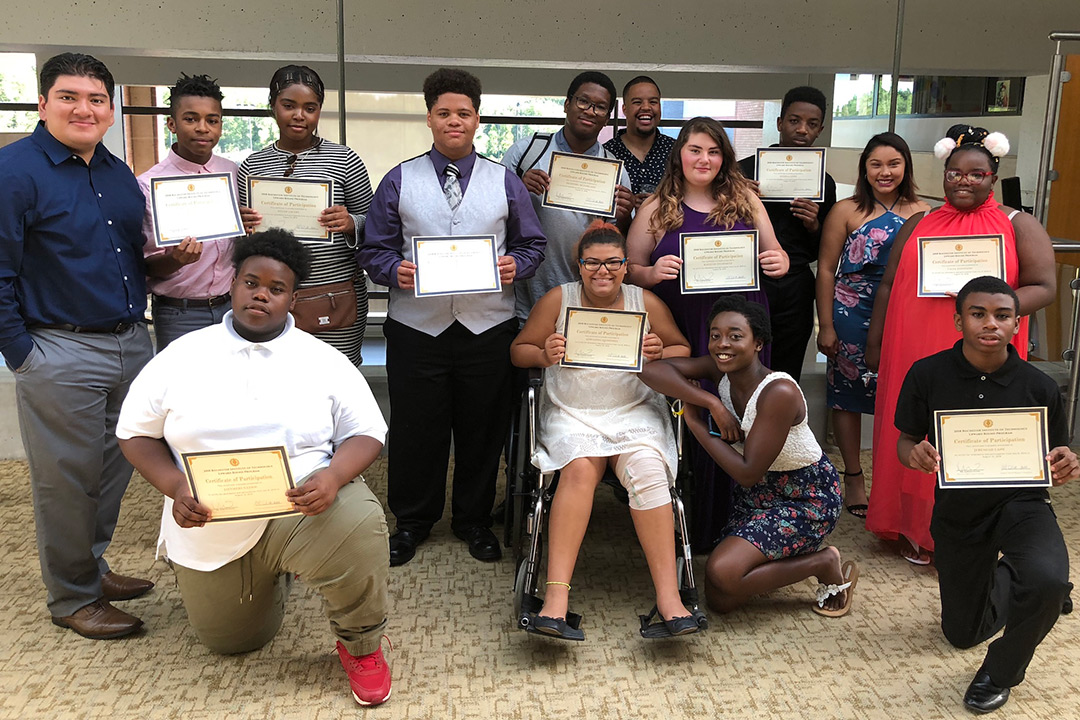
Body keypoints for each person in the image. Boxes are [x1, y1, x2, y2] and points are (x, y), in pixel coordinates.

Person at [116, 230, 393, 707]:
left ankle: (361, 643)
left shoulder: (321, 359)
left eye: (276, 287)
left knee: (361, 523)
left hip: (300, 508)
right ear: (232, 284)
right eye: (251, 282)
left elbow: (368, 432)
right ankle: (271, 579)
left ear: (293, 297)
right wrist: (172, 484)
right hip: (211, 516)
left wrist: (332, 476)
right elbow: (133, 432)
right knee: (231, 642)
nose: (261, 293)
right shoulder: (183, 355)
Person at [358, 68, 546, 566]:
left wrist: (515, 265)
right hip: (417, 328)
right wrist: (391, 269)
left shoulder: (504, 180)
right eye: (444, 113)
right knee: (417, 428)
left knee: (482, 428)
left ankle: (473, 520)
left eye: (463, 113)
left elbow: (533, 244)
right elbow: (372, 248)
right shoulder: (400, 178)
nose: (454, 121)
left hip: (487, 326)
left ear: (477, 119)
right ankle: (413, 521)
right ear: (430, 119)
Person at [0, 52, 155, 639]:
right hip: (58, 350)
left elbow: (126, 256)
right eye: (68, 96)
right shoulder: (13, 171)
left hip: (127, 341)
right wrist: (21, 352)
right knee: (65, 479)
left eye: (95, 99)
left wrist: (169, 260)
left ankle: (91, 567)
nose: (83, 108)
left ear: (111, 110)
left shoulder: (116, 174)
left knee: (113, 469)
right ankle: (70, 596)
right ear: (43, 104)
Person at [866, 125, 1057, 564]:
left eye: (976, 173)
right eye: (954, 173)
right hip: (915, 343)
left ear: (993, 175)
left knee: (976, 431)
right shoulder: (920, 222)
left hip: (985, 347)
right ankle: (915, 527)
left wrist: (993, 314)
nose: (963, 181)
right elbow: (890, 284)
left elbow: (1044, 286)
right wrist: (875, 341)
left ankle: (974, 535)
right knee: (919, 426)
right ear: (943, 174)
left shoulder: (1018, 224)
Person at [894, 276, 1076, 714]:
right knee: (961, 634)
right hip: (959, 511)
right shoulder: (927, 373)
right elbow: (904, 443)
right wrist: (914, 454)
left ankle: (1001, 671)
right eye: (978, 314)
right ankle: (1021, 578)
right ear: (959, 320)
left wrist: (1067, 461)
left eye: (1002, 315)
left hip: (1023, 506)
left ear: (1017, 324)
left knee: (1048, 582)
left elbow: (1059, 452)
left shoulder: (1039, 386)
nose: (990, 323)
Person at [510, 221, 694, 640]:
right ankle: (556, 600)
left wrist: (661, 350)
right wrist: (544, 352)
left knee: (648, 472)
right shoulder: (560, 299)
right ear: (579, 265)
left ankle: (669, 600)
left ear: (626, 266)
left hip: (634, 410)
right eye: (592, 263)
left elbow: (682, 349)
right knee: (577, 471)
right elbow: (518, 351)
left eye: (612, 262)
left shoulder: (644, 301)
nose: (602, 271)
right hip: (573, 410)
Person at [626, 116, 789, 552]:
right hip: (688, 324)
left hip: (743, 326)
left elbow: (775, 253)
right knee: (697, 417)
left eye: (714, 151)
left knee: (747, 414)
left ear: (725, 158)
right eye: (695, 149)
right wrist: (652, 272)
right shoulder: (656, 207)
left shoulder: (747, 201)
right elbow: (630, 270)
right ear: (679, 154)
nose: (704, 159)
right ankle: (698, 525)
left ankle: (747, 522)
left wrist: (779, 262)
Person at [640, 295, 853, 616]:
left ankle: (822, 562)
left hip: (806, 497)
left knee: (723, 572)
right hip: (758, 493)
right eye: (715, 335)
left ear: (758, 343)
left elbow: (746, 471)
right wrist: (710, 402)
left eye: (736, 336)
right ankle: (803, 560)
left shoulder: (778, 392)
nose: (722, 344)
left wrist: (696, 423)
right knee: (722, 600)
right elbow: (649, 369)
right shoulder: (720, 369)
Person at [815, 133, 929, 518]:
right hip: (850, 315)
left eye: (893, 164)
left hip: (901, 315)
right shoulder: (846, 209)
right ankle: (853, 476)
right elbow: (827, 270)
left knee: (899, 397)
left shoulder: (924, 212)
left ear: (906, 167)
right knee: (846, 396)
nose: (885, 172)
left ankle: (894, 477)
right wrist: (826, 325)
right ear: (864, 167)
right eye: (876, 164)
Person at [238, 64, 373, 366]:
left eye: (310, 108)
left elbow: (376, 223)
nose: (299, 115)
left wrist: (351, 223)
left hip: (335, 296)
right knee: (275, 380)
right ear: (273, 106)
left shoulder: (345, 159)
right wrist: (242, 226)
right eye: (289, 106)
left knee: (337, 382)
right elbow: (241, 241)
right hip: (270, 298)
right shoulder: (252, 166)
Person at [501, 71, 633, 320]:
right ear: (567, 104)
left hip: (582, 300)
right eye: (583, 101)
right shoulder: (526, 152)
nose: (590, 111)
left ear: (607, 118)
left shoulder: (614, 170)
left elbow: (617, 241)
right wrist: (518, 188)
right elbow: (490, 211)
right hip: (523, 296)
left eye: (600, 107)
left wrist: (626, 216)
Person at [738, 86, 837, 381]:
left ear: (820, 129)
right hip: (750, 278)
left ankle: (782, 423)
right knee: (745, 359)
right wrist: (740, 201)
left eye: (811, 124)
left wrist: (814, 225)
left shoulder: (825, 183)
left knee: (786, 366)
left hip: (796, 282)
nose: (802, 130)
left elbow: (827, 250)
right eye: (794, 121)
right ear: (780, 123)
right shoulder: (743, 171)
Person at [137, 73, 238, 350]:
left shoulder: (232, 173)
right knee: (183, 391)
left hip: (231, 307)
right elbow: (145, 265)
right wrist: (176, 259)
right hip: (178, 313)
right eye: (191, 119)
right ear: (172, 123)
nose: (203, 128)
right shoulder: (148, 185)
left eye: (212, 120)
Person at [603, 75, 676, 202]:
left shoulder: (677, 151)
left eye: (653, 102)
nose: (646, 107)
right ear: (624, 109)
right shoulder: (606, 154)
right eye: (637, 102)